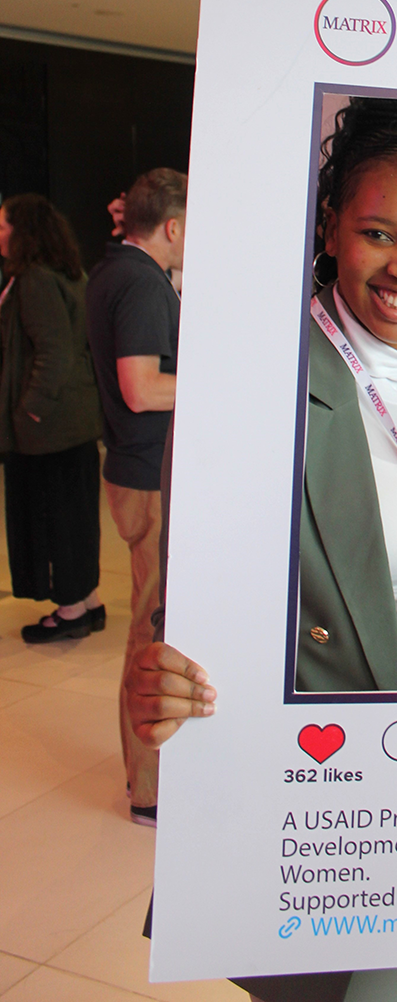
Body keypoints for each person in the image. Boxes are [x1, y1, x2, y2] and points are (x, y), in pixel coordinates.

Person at [125, 99, 397, 1002]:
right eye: (377, 233)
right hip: (317, 794)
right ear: (330, 231)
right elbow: (192, 602)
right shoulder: (254, 387)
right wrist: (164, 671)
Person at [86, 168, 186, 827]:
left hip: (133, 468)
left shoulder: (113, 271)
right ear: (173, 227)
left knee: (152, 625)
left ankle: (147, 776)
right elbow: (143, 389)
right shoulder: (144, 283)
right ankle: (150, 789)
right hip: (148, 475)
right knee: (152, 632)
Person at [0, 195, 104, 642]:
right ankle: (87, 600)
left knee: (53, 516)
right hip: (71, 421)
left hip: (49, 426)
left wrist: (30, 410)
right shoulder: (68, 273)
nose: (0, 233)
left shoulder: (35, 279)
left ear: (23, 232)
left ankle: (71, 610)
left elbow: (54, 351)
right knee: (75, 513)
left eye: (4, 226)